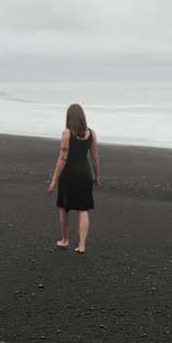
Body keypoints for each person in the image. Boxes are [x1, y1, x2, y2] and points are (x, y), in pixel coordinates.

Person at [47, 103, 99, 253]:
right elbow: (95, 158)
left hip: (69, 174)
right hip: (85, 174)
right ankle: (82, 246)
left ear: (69, 117)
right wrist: (96, 175)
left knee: (64, 208)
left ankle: (65, 240)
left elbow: (62, 158)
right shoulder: (91, 133)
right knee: (83, 209)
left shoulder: (67, 134)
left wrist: (54, 180)